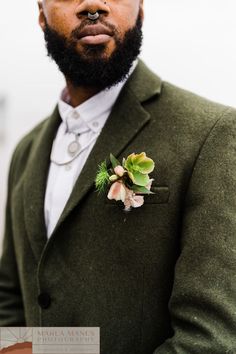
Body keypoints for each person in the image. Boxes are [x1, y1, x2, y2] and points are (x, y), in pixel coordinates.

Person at [0, 0, 235, 353]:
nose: (93, 5)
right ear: (41, 15)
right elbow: (12, 303)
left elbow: (208, 338)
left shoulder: (212, 134)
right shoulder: (26, 151)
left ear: (141, 8)